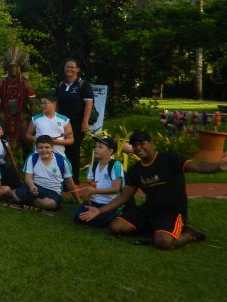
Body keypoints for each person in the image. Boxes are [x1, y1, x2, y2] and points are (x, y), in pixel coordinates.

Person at [78, 131, 225, 249]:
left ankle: (189, 234)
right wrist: (100, 210)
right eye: (135, 145)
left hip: (172, 211)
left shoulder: (170, 159)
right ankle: (157, 228)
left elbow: (198, 166)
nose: (139, 148)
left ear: (152, 144)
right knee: (116, 226)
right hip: (148, 209)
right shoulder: (136, 170)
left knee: (163, 243)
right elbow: (124, 196)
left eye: (142, 143)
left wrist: (218, 167)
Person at [11, 135, 76, 212]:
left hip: (53, 191)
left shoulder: (62, 160)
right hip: (35, 187)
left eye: (47, 147)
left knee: (50, 203)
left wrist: (77, 199)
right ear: (37, 148)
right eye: (40, 147)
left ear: (52, 148)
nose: (44, 150)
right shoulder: (32, 158)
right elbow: (28, 177)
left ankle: (33, 201)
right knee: (14, 194)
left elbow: (69, 182)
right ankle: (36, 201)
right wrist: (31, 186)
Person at [56, 58, 95, 184]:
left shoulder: (83, 85)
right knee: (62, 150)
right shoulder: (61, 85)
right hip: (62, 124)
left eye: (72, 67)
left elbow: (89, 104)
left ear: (77, 69)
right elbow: (56, 104)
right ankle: (62, 180)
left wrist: (85, 122)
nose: (69, 69)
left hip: (77, 123)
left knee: (73, 150)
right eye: (67, 67)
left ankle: (74, 181)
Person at [0, 46, 35, 153]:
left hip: (22, 116)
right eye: (11, 67)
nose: (13, 69)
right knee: (2, 142)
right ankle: (3, 164)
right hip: (4, 116)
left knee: (26, 140)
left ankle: (28, 165)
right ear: (7, 68)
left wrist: (33, 122)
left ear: (20, 68)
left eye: (16, 67)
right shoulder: (1, 83)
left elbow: (32, 104)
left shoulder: (26, 83)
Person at [73, 135, 123, 227]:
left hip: (110, 203)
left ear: (110, 151)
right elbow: (92, 184)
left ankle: (111, 214)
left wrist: (95, 191)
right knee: (77, 216)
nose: (96, 149)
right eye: (96, 146)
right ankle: (98, 215)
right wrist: (89, 190)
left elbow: (116, 189)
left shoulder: (115, 165)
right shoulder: (94, 165)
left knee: (100, 221)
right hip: (95, 202)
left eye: (100, 147)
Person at [25, 93, 73, 157]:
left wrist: (56, 142)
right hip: (39, 155)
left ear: (54, 104)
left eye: (45, 103)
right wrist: (39, 139)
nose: (42, 105)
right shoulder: (35, 119)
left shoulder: (64, 119)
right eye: (41, 103)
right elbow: (28, 135)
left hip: (58, 155)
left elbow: (71, 140)